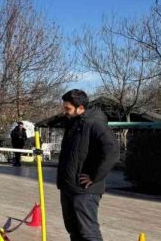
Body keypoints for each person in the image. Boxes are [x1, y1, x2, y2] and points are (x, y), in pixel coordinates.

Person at [58, 89, 119, 241]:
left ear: (80, 108)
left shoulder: (95, 123)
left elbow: (112, 151)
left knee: (88, 233)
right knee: (74, 230)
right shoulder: (73, 124)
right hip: (68, 187)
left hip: (85, 190)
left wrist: (94, 176)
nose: (65, 112)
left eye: (68, 109)